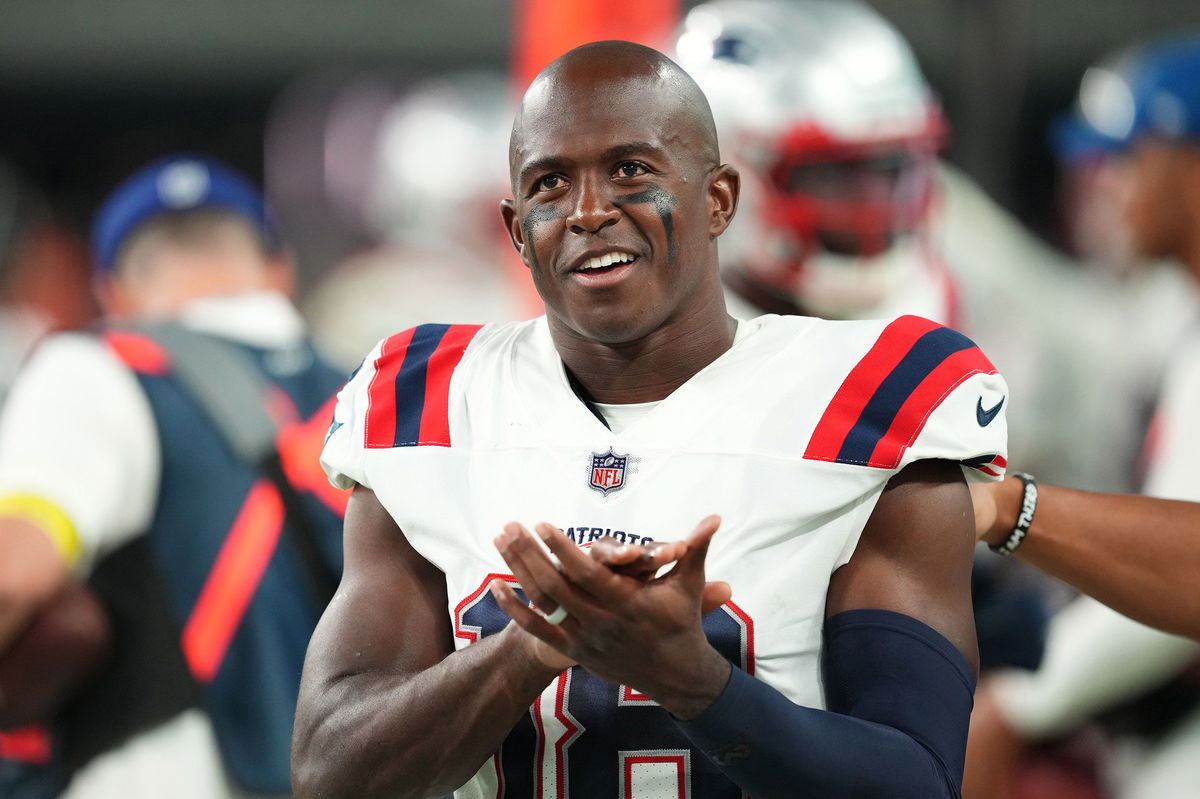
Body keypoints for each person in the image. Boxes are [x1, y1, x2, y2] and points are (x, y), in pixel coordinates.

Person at [293, 41, 1010, 799]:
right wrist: (537, 645)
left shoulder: (871, 401)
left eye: (631, 170)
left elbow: (917, 781)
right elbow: (331, 775)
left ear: (719, 200)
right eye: (550, 183)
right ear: (515, 230)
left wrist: (694, 681)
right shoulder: (430, 400)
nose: (589, 212)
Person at [0, 154, 348, 798]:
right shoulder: (382, 395)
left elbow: (13, 577)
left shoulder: (98, 369)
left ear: (113, 291)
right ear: (279, 270)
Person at [964, 35, 1200, 799]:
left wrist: (1022, 701)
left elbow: (1184, 572)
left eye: (1130, 158)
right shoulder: (1167, 310)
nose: (1105, 184)